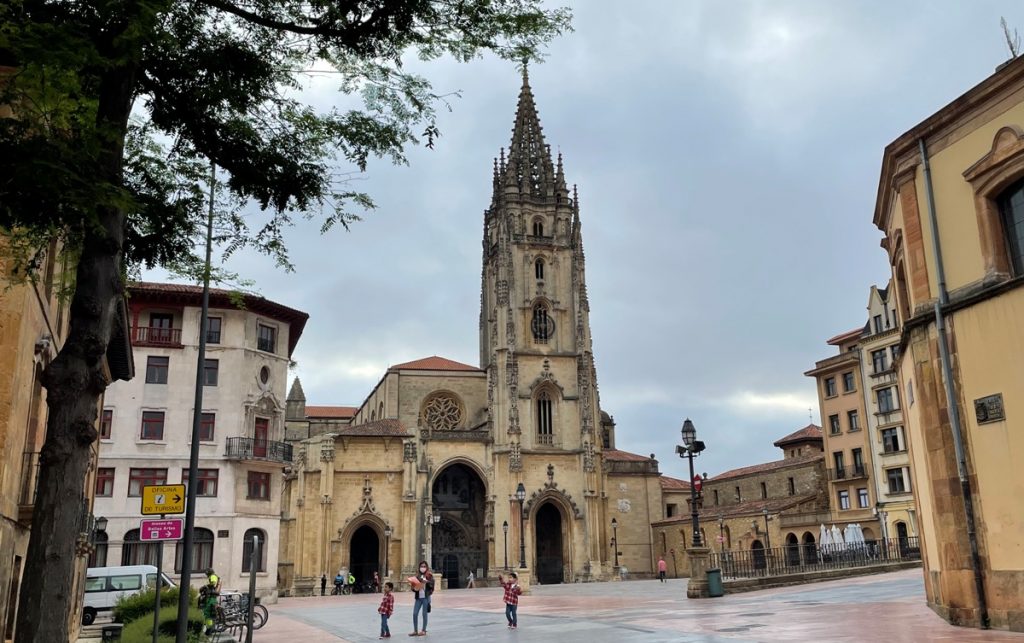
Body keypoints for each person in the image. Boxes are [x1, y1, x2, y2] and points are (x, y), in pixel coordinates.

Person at [409, 560, 434, 636]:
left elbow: (432, 586)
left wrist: (427, 582)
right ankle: (415, 630)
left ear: (426, 567)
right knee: (415, 613)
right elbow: (413, 588)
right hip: (418, 597)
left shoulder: (429, 576)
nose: (422, 568)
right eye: (421, 566)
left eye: (424, 566)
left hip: (426, 598)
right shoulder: (417, 576)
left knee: (424, 614)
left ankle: (423, 630)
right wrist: (413, 586)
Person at [200, 568, 221, 634]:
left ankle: (209, 629)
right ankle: (210, 628)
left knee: (208, 613)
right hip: (211, 597)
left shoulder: (213, 576)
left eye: (206, 573)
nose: (206, 575)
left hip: (211, 598)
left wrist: (205, 586)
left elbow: (213, 583)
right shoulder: (213, 576)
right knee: (210, 613)